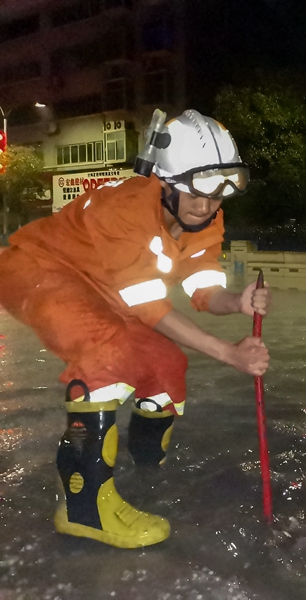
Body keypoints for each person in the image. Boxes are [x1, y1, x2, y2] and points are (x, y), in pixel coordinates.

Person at [0, 109, 271, 549]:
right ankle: (83, 506)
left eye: (219, 193)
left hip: (104, 288)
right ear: (166, 183)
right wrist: (228, 353)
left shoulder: (207, 216)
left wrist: (236, 302)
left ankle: (145, 463)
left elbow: (202, 288)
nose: (206, 206)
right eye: (195, 193)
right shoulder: (125, 209)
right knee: (109, 351)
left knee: (168, 362)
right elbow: (149, 309)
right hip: (39, 271)